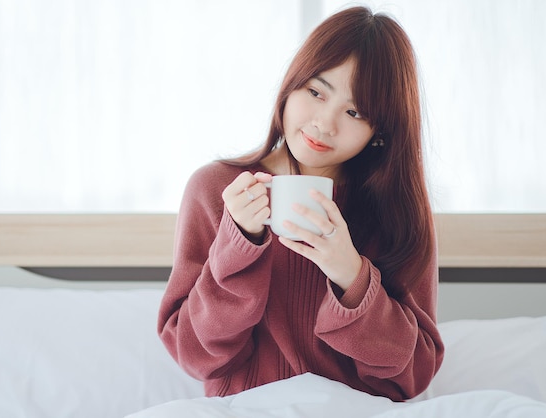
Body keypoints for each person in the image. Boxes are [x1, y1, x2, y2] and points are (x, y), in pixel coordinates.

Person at [157, 6, 444, 402]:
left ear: (381, 130)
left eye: (355, 111)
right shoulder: (217, 190)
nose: (325, 123)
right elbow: (194, 354)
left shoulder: (396, 211)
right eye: (315, 92)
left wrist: (352, 275)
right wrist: (237, 245)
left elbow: (412, 375)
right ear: (291, 85)